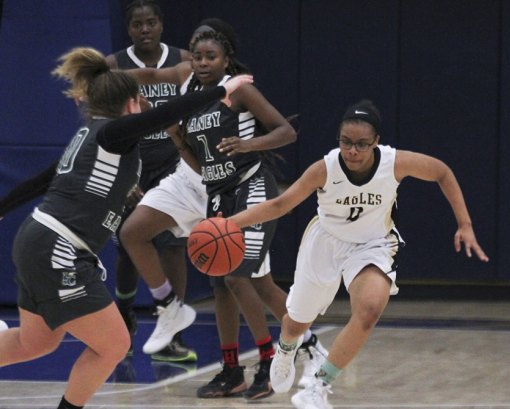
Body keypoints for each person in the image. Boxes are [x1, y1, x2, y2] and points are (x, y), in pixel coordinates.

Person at [0, 46, 251, 409]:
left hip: (38, 239)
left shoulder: (92, 136)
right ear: (131, 103)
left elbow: (43, 180)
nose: (147, 107)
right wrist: (220, 91)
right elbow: (166, 113)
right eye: (142, 101)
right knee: (115, 344)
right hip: (58, 247)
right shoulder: (113, 132)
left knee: (34, 343)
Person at [227, 99, 490, 409]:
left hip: (372, 245)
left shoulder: (394, 163)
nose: (352, 150)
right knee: (295, 323)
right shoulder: (325, 168)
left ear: (376, 142)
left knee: (368, 311)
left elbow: (442, 172)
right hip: (325, 242)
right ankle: (285, 349)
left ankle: (317, 385)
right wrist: (227, 224)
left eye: (361, 144)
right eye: (346, 142)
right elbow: (279, 205)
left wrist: (465, 224)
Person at [121, 24, 326, 400]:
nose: (202, 63)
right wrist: (173, 133)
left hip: (253, 187)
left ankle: (269, 359)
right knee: (227, 284)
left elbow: (285, 132)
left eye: (210, 57)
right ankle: (233, 369)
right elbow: (201, 166)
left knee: (236, 278)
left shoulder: (239, 89)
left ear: (226, 59)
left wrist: (248, 144)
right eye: (197, 57)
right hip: (219, 194)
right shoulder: (192, 99)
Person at [106, 0, 196, 362]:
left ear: (161, 25)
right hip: (132, 165)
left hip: (174, 165)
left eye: (151, 22)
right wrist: (123, 177)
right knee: (128, 244)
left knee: (175, 245)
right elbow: (104, 122)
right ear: (129, 30)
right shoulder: (114, 66)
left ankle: (171, 330)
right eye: (137, 24)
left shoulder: (185, 59)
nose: (144, 29)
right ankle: (125, 317)